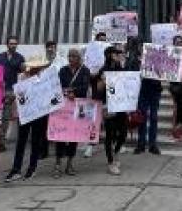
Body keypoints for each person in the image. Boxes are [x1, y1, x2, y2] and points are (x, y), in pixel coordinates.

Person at [5, 57, 52, 182]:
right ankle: (16, 169)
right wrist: (14, 104)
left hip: (39, 113)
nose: (34, 69)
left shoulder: (44, 77)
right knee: (21, 141)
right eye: (33, 66)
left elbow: (48, 94)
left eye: (37, 67)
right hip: (25, 114)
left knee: (35, 141)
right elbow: (18, 94)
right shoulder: (21, 77)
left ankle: (32, 168)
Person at [54, 48, 91, 177]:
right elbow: (57, 85)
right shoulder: (63, 70)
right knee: (60, 135)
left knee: (73, 136)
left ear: (79, 58)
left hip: (77, 106)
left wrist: (74, 93)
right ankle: (57, 165)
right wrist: (67, 92)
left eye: (74, 56)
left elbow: (84, 87)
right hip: (64, 107)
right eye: (69, 56)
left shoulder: (85, 70)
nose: (71, 59)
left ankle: (69, 164)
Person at [95, 45, 130, 175]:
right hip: (109, 106)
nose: (118, 55)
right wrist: (103, 82)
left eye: (119, 53)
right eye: (116, 53)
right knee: (110, 135)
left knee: (123, 133)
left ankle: (116, 153)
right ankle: (111, 163)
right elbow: (98, 89)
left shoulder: (121, 68)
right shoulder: (103, 70)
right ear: (109, 55)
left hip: (121, 105)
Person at [126, 37, 161, 155]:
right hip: (141, 91)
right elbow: (130, 75)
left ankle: (152, 144)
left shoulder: (155, 59)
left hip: (154, 90)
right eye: (142, 46)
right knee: (142, 117)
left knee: (154, 118)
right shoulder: (134, 61)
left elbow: (163, 73)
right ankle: (141, 144)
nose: (143, 48)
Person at [0, 35, 25, 152]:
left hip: (11, 90)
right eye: (11, 43)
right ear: (7, 44)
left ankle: (1, 141)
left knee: (6, 116)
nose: (13, 45)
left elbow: (23, 74)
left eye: (15, 43)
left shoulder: (20, 58)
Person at [83, 31, 109, 158]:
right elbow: (88, 78)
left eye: (104, 40)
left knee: (110, 122)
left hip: (109, 97)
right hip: (96, 97)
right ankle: (90, 145)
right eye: (100, 40)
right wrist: (93, 74)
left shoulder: (110, 62)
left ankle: (112, 144)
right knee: (94, 121)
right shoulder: (90, 63)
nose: (102, 42)